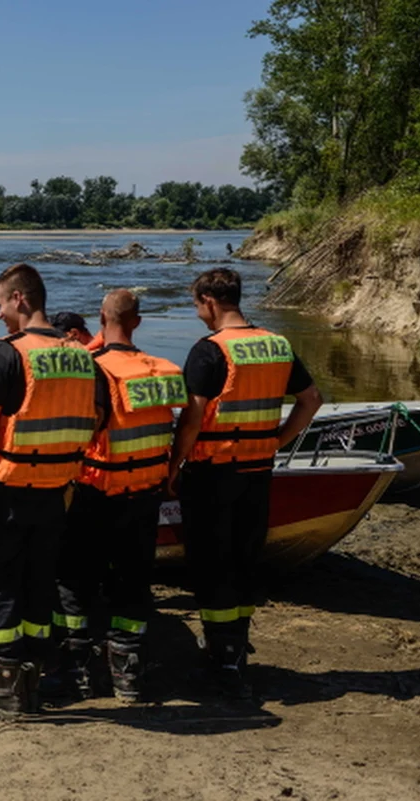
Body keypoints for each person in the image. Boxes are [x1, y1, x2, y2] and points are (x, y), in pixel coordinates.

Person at [0, 264, 102, 720]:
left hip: (6, 493)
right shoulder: (81, 356)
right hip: (56, 492)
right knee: (40, 591)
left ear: (19, 299)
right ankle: (36, 681)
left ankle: (5, 692)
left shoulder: (6, 354)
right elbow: (94, 419)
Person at [168, 267, 322, 698]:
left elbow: (194, 416)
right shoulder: (277, 344)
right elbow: (312, 400)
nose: (197, 312)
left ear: (209, 302)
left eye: (197, 305)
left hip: (213, 472)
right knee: (243, 558)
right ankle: (235, 647)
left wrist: (174, 465)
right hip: (258, 471)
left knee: (212, 563)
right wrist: (276, 440)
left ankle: (222, 660)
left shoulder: (208, 350)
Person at [53, 289, 185, 702]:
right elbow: (181, 425)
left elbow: (83, 430)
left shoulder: (94, 370)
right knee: (133, 582)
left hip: (95, 492)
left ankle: (76, 671)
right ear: (137, 322)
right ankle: (128, 675)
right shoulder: (161, 369)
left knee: (74, 582)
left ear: (100, 318)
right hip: (146, 493)